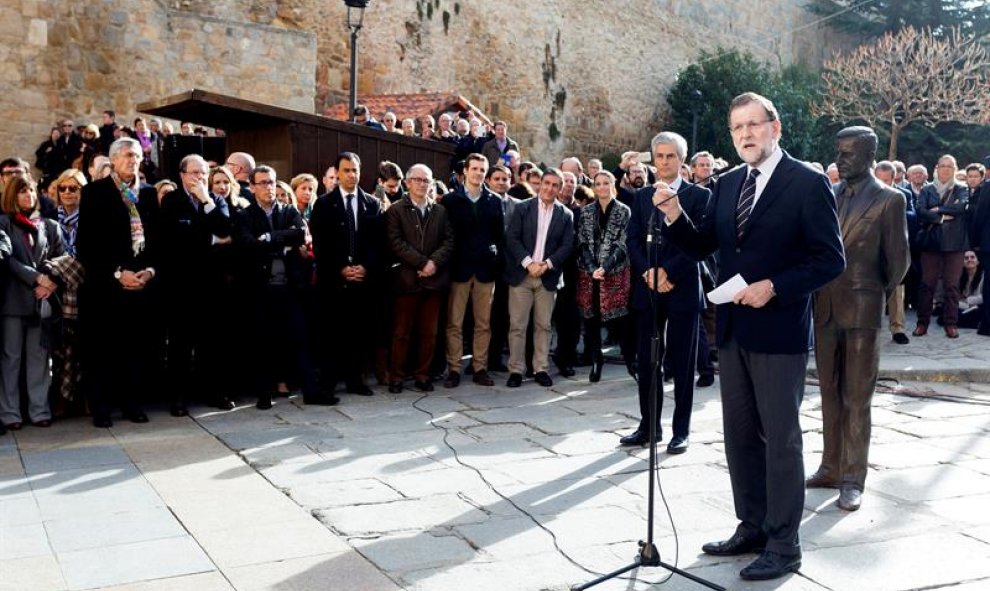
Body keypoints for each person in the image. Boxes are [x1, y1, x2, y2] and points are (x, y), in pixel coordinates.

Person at [656, 92, 844, 581]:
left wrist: (775, 287)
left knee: (780, 441)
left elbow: (830, 260)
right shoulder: (727, 182)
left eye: (753, 125)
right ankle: (753, 525)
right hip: (733, 332)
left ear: (775, 127)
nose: (745, 135)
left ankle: (785, 545)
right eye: (737, 127)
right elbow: (704, 245)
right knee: (740, 436)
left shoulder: (807, 183)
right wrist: (675, 217)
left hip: (779, 332)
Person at [807, 126, 909, 512]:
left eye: (849, 154)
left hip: (863, 307)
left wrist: (872, 292)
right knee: (829, 393)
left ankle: (853, 477)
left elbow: (898, 263)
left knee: (857, 396)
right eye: (839, 152)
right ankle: (830, 466)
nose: (840, 159)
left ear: (868, 157)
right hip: (826, 306)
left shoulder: (889, 200)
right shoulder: (828, 195)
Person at [622, 131, 711, 454]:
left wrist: (668, 272)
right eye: (659, 156)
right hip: (648, 287)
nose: (664, 162)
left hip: (683, 285)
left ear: (681, 159)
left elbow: (698, 244)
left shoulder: (700, 197)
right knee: (647, 361)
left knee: (683, 361)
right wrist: (649, 271)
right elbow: (631, 240)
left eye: (670, 156)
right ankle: (649, 426)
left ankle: (680, 431)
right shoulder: (642, 196)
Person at [76, 138, 160, 428]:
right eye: (127, 155)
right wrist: (116, 273)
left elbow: (158, 241)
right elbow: (85, 245)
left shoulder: (148, 194)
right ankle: (102, 407)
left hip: (140, 285)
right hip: (105, 286)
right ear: (113, 160)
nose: (133, 160)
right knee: (102, 349)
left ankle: (133, 404)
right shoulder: (94, 192)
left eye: (137, 155)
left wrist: (148, 271)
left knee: (135, 348)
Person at [236, 165, 332, 408]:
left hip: (290, 287)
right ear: (253, 187)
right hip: (262, 289)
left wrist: (268, 238)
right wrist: (281, 241)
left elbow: (300, 233)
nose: (269, 187)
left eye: (271, 182)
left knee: (301, 339)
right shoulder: (246, 216)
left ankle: (311, 392)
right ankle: (264, 393)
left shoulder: (288, 210)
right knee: (264, 342)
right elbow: (247, 245)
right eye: (263, 183)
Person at [159, 154, 232, 415]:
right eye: (194, 173)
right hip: (182, 285)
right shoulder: (171, 201)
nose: (200, 178)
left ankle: (215, 392)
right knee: (180, 345)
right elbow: (173, 241)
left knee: (213, 343)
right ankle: (178, 398)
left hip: (212, 285)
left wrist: (206, 201)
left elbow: (225, 230)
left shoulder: (216, 201)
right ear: (182, 175)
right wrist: (209, 241)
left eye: (203, 173)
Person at [309, 152, 385, 396]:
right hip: (334, 281)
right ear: (337, 173)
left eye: (355, 170)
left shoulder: (372, 204)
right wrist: (341, 267)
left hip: (363, 281)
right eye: (346, 170)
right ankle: (328, 382)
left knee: (359, 332)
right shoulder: (323, 204)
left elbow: (378, 244)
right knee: (331, 333)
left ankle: (356, 380)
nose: (352, 175)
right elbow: (320, 244)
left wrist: (366, 267)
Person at [0, 177, 65, 430]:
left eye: (31, 191)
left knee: (39, 358)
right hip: (13, 302)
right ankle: (10, 413)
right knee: (10, 358)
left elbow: (60, 256)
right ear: (12, 196)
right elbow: (8, 260)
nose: (28, 196)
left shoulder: (49, 225)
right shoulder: (4, 223)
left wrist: (49, 280)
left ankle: (39, 410)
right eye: (22, 191)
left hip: (42, 300)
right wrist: (36, 277)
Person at [385, 164, 454, 393]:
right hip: (406, 281)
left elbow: (448, 241)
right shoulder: (395, 210)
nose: (422, 184)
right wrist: (421, 262)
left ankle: (423, 375)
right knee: (402, 332)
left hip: (434, 282)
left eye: (426, 181)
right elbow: (396, 243)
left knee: (429, 333)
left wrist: (433, 263)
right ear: (407, 182)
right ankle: (396, 376)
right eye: (417, 180)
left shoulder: (440, 212)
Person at [504, 168, 574, 388]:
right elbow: (512, 238)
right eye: (546, 183)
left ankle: (540, 368)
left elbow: (567, 246)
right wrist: (528, 263)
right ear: (540, 184)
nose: (549, 188)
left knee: (543, 325)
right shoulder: (522, 208)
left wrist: (547, 264)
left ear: (559, 189)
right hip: (522, 275)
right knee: (517, 325)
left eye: (555, 185)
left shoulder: (565, 214)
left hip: (548, 276)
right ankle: (516, 370)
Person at [442, 154, 503, 388]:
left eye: (482, 169)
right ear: (465, 171)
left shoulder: (494, 201)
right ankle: (454, 369)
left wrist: (494, 259)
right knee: (454, 323)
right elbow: (446, 235)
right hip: (459, 270)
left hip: (485, 272)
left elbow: (499, 236)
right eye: (474, 168)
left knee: (483, 323)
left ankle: (479, 367)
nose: (478, 173)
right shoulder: (451, 200)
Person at [575, 171, 631, 383]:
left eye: (605, 183)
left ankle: (629, 359)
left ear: (612, 184)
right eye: (597, 184)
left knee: (621, 319)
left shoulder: (624, 211)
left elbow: (623, 242)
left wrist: (606, 267)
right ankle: (596, 360)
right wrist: (592, 268)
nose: (601, 187)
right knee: (592, 319)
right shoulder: (586, 211)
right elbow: (581, 242)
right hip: (589, 275)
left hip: (615, 272)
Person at [914, 155, 969, 338]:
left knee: (952, 286)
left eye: (949, 166)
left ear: (955, 169)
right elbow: (921, 212)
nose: (945, 169)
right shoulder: (927, 189)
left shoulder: (961, 188)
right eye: (942, 166)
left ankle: (951, 324)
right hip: (931, 243)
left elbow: (961, 208)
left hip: (955, 244)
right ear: (936, 168)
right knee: (926, 284)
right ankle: (922, 323)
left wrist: (937, 210)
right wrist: (943, 217)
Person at [956, 250, 984, 328]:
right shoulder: (960, 277)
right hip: (965, 307)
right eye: (966, 258)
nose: (969, 260)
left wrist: (968, 300)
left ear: (978, 261)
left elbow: (985, 296)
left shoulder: (984, 276)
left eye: (972, 257)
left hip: (979, 307)